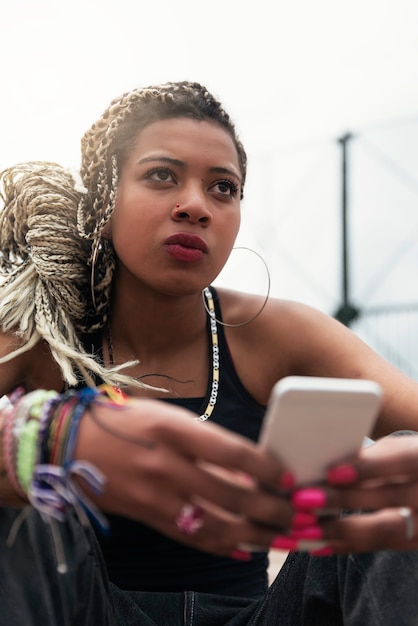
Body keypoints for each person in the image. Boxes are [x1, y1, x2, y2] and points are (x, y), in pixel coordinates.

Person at [1, 81, 418, 626]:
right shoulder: (39, 333)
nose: (195, 206)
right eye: (161, 175)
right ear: (103, 200)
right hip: (89, 608)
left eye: (223, 188)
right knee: (19, 495)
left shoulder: (277, 331)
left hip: (265, 616)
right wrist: (45, 440)